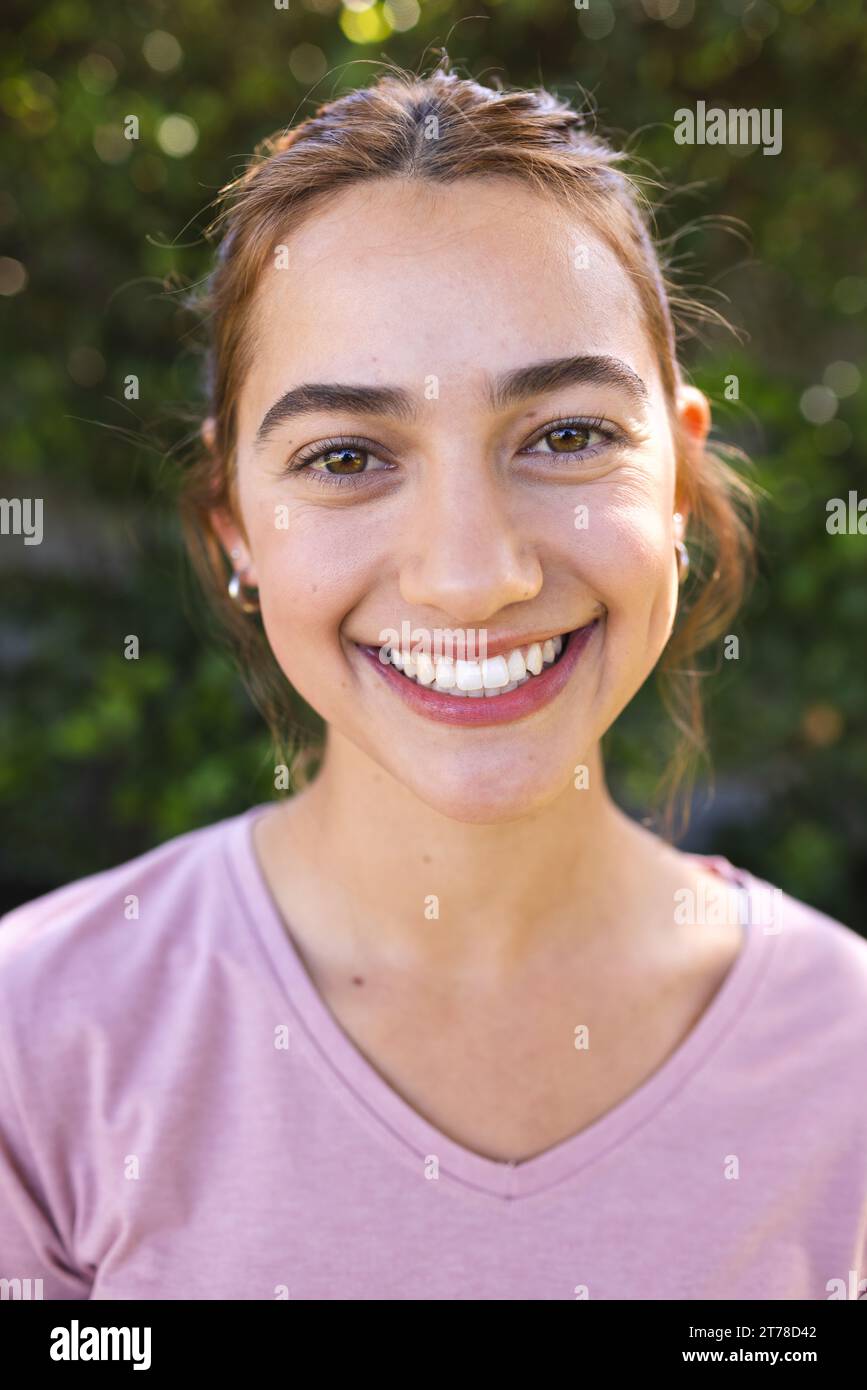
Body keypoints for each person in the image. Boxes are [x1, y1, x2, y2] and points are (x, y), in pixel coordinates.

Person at [2, 62, 865, 1303]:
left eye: (567, 435)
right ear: (235, 521)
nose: (473, 577)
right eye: (347, 455)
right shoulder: (35, 1039)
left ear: (674, 479)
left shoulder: (849, 1058)